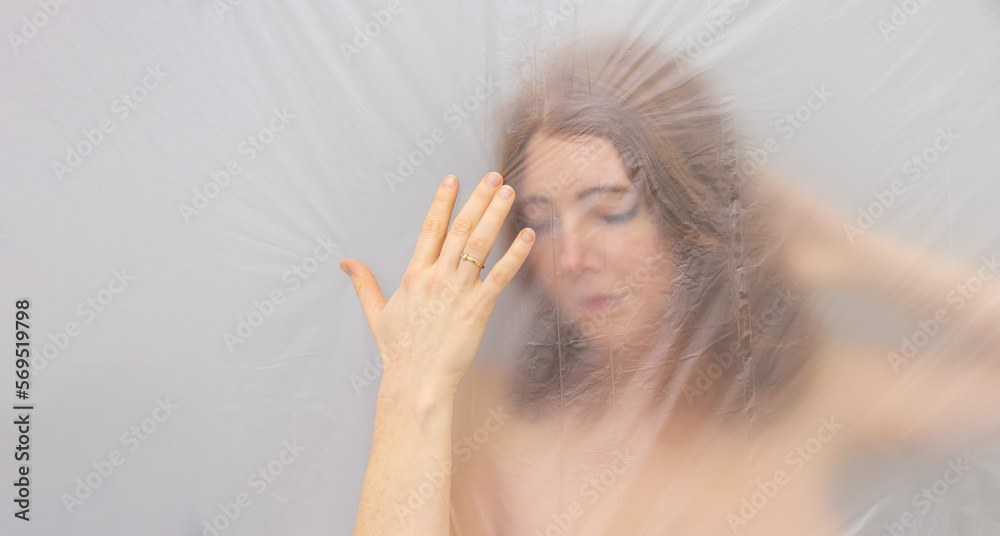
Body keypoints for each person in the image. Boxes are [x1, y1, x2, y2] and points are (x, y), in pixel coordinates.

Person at [341, 34, 1000, 535]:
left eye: (612, 210)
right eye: (540, 222)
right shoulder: (479, 416)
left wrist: (857, 254)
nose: (571, 256)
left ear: (692, 217)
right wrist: (411, 388)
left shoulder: (813, 394)